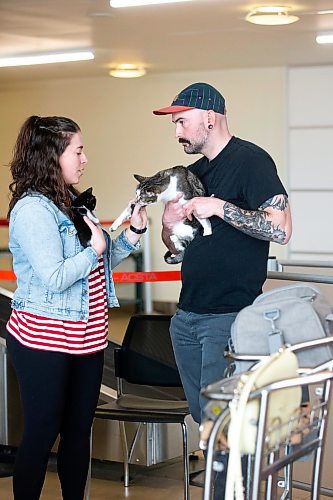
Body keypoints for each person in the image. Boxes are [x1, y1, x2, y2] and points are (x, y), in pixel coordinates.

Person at [153, 82, 292, 496]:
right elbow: (179, 248)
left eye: (181, 121)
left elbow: (281, 230)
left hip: (229, 318)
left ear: (209, 117)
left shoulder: (250, 161)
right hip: (187, 318)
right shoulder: (194, 175)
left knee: (223, 431)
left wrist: (220, 207)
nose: (177, 131)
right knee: (209, 421)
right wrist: (167, 227)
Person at [5, 115, 147, 500]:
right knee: (41, 431)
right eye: (77, 150)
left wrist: (131, 233)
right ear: (52, 155)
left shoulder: (68, 202)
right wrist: (95, 250)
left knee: (78, 431)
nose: (84, 159)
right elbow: (55, 277)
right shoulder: (34, 210)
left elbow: (95, 264)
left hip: (86, 339)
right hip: (44, 339)